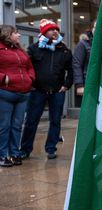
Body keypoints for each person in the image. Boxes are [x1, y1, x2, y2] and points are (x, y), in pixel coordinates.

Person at [20, 19, 73, 159]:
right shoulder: (33, 49)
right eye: (51, 29)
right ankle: (25, 149)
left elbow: (71, 70)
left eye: (56, 29)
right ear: (44, 32)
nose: (55, 31)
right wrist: (30, 83)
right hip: (37, 91)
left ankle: (51, 148)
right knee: (31, 121)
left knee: (55, 121)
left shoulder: (64, 50)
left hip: (57, 92)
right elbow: (25, 67)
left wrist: (66, 85)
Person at [0, 25, 35, 167]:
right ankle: (3, 155)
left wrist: (30, 79)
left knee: (17, 126)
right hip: (5, 93)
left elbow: (30, 67)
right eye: (16, 33)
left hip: (23, 94)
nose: (19, 35)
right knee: (4, 126)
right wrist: (3, 78)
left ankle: (14, 153)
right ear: (7, 34)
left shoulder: (20, 50)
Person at [73, 21, 95, 107]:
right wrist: (79, 85)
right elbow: (76, 64)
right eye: (95, 27)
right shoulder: (83, 43)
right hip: (87, 84)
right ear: (91, 29)